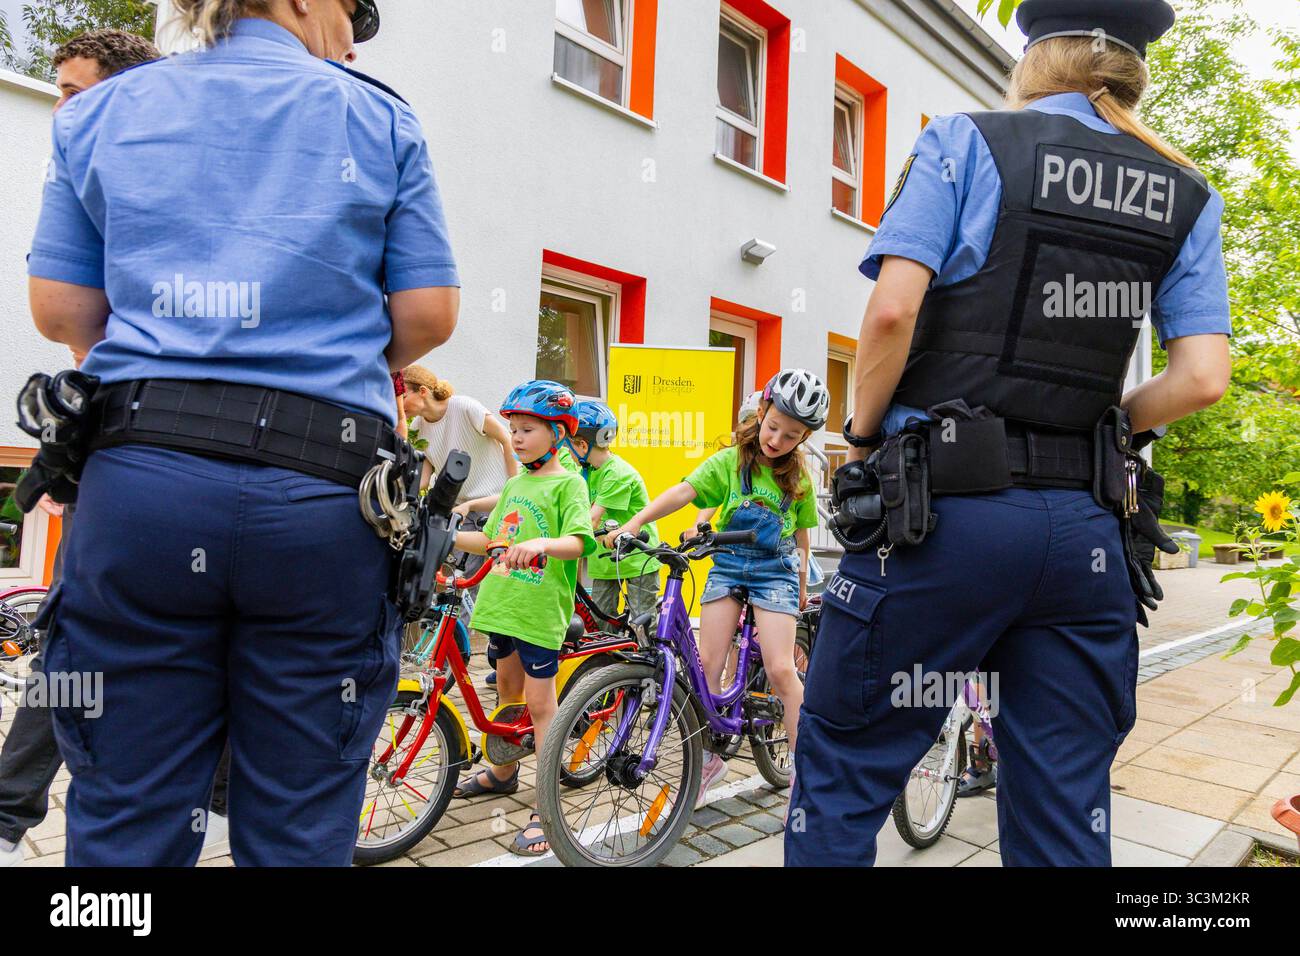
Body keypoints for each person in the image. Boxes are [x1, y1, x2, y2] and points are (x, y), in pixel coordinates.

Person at [787, 0, 1232, 867]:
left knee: (845, 772)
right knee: (1066, 805)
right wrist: (1110, 427)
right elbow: (1203, 379)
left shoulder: (967, 139)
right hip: (1084, 539)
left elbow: (890, 315)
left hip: (942, 523)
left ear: (1035, 58)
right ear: (1134, 66)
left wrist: (863, 434)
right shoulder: (1185, 189)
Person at [25, 0, 460, 866]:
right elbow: (428, 313)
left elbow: (62, 310)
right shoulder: (378, 116)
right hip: (322, 494)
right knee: (299, 822)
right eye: (349, 14)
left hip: (140, 483)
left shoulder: (105, 112)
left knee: (122, 813)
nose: (350, 40)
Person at [0, 28, 162, 870]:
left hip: (156, 449)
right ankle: (10, 812)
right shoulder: (92, 177)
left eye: (74, 89)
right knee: (76, 649)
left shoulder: (148, 176)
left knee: (99, 643)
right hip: (116, 443)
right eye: (54, 88)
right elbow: (75, 335)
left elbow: (79, 323)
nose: (60, 106)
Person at [608, 369, 827, 806]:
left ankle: (808, 779)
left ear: (803, 438)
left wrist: (801, 585)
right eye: (773, 427)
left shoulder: (799, 479)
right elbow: (684, 492)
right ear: (761, 413)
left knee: (782, 669)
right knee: (706, 668)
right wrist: (635, 522)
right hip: (728, 564)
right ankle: (710, 758)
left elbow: (801, 537)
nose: (777, 440)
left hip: (776, 569)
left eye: (791, 435)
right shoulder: (729, 461)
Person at [450, 380, 595, 856]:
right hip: (502, 605)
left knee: (540, 708)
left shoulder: (568, 483)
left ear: (557, 433)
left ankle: (547, 809)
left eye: (527, 429)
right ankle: (504, 774)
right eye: (512, 428)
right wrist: (445, 535)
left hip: (538, 612)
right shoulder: (514, 484)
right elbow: (491, 540)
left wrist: (542, 545)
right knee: (509, 696)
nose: (515, 436)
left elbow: (577, 541)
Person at [566, 400, 662, 626]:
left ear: (581, 445)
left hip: (637, 558)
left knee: (643, 622)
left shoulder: (617, 473)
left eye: (568, 445)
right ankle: (608, 661)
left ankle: (649, 660)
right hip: (605, 561)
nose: (566, 451)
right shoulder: (588, 472)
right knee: (601, 621)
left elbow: (591, 519)